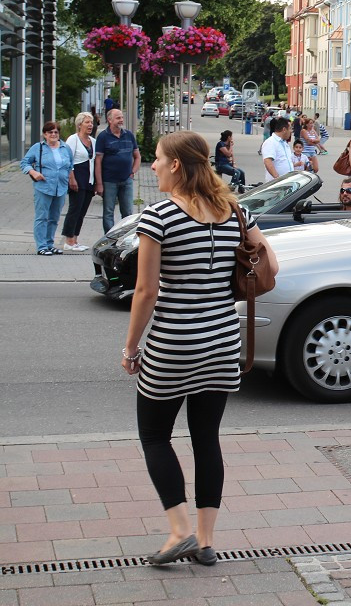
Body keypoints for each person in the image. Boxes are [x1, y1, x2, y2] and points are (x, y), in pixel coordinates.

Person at [122, 130, 278, 567]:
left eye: (156, 159)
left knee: (154, 435)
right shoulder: (235, 211)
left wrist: (132, 348)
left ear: (175, 165)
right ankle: (206, 542)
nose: (151, 166)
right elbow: (273, 264)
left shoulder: (158, 217)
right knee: (206, 438)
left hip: (173, 343)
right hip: (222, 343)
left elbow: (145, 292)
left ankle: (178, 532)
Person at [21, 122, 74, 255]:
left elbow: (70, 165)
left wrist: (67, 178)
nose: (53, 135)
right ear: (45, 134)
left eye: (56, 132)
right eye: (50, 132)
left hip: (60, 188)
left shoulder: (65, 147)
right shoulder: (38, 147)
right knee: (42, 217)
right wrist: (33, 173)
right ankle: (41, 246)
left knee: (54, 218)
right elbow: (24, 163)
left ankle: (50, 244)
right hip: (43, 188)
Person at [95, 108, 141, 234]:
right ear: (109, 120)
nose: (121, 120)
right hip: (109, 181)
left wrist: (133, 172)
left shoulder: (129, 135)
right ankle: (109, 239)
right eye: (118, 118)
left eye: (121, 117)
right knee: (108, 212)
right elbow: (98, 161)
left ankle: (125, 237)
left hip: (126, 180)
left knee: (127, 213)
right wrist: (99, 183)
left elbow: (137, 156)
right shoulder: (103, 137)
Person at [61, 112, 96, 251]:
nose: (90, 125)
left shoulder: (93, 141)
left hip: (89, 179)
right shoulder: (73, 139)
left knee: (82, 211)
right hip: (77, 178)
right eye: (87, 122)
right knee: (75, 209)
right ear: (79, 124)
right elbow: (68, 160)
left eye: (91, 123)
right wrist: (71, 178)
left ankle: (75, 239)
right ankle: (68, 240)